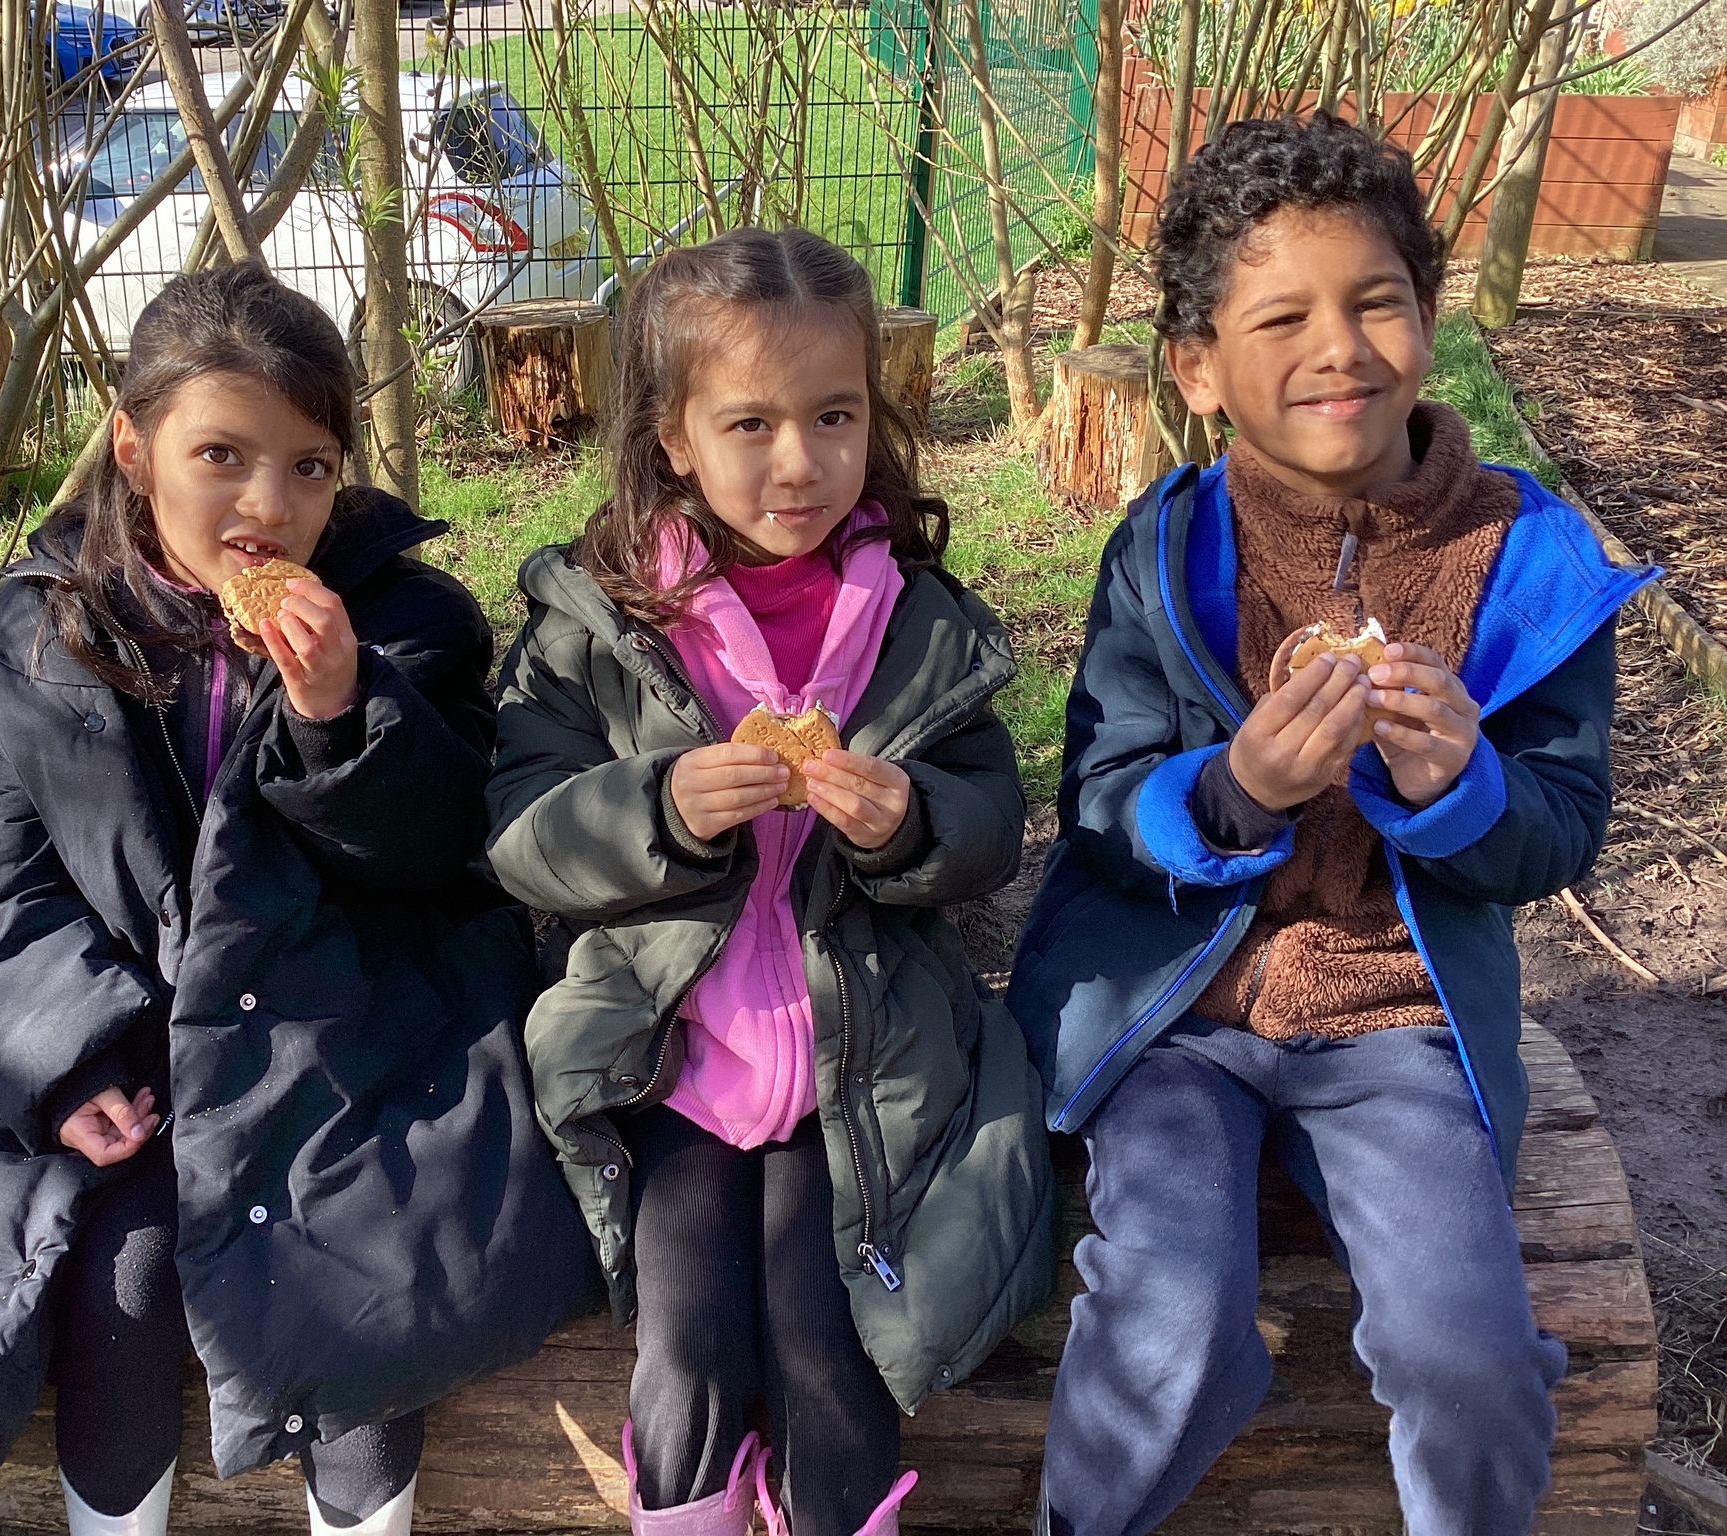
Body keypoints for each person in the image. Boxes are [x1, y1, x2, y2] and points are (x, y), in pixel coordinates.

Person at [0, 263, 594, 1536]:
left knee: (361, 1287)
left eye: (308, 466)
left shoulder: (407, 621)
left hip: (356, 1037)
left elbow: (451, 848)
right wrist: (66, 1065)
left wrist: (343, 716)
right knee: (121, 1278)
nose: (267, 504)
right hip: (134, 1049)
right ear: (133, 449)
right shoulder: (47, 632)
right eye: (221, 454)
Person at [1005, 113, 1657, 1536]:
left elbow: (1557, 836)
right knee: (1164, 1324)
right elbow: (1100, 804)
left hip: (1393, 1021)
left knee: (1467, 1363)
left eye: (1375, 301)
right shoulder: (1166, 548)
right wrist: (1231, 792)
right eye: (1281, 318)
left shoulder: (1528, 565)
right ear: (1196, 368)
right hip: (1178, 1016)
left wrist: (1457, 787)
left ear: (1427, 312)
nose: (1339, 349)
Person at [486, 227, 1058, 1536]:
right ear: (674, 439)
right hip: (668, 1054)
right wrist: (658, 808)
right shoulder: (597, 624)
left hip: (862, 1055)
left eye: (832, 416)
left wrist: (909, 821)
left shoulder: (918, 621)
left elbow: (989, 826)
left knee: (827, 1344)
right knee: (687, 1347)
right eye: (750, 423)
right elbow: (521, 833)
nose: (798, 461)